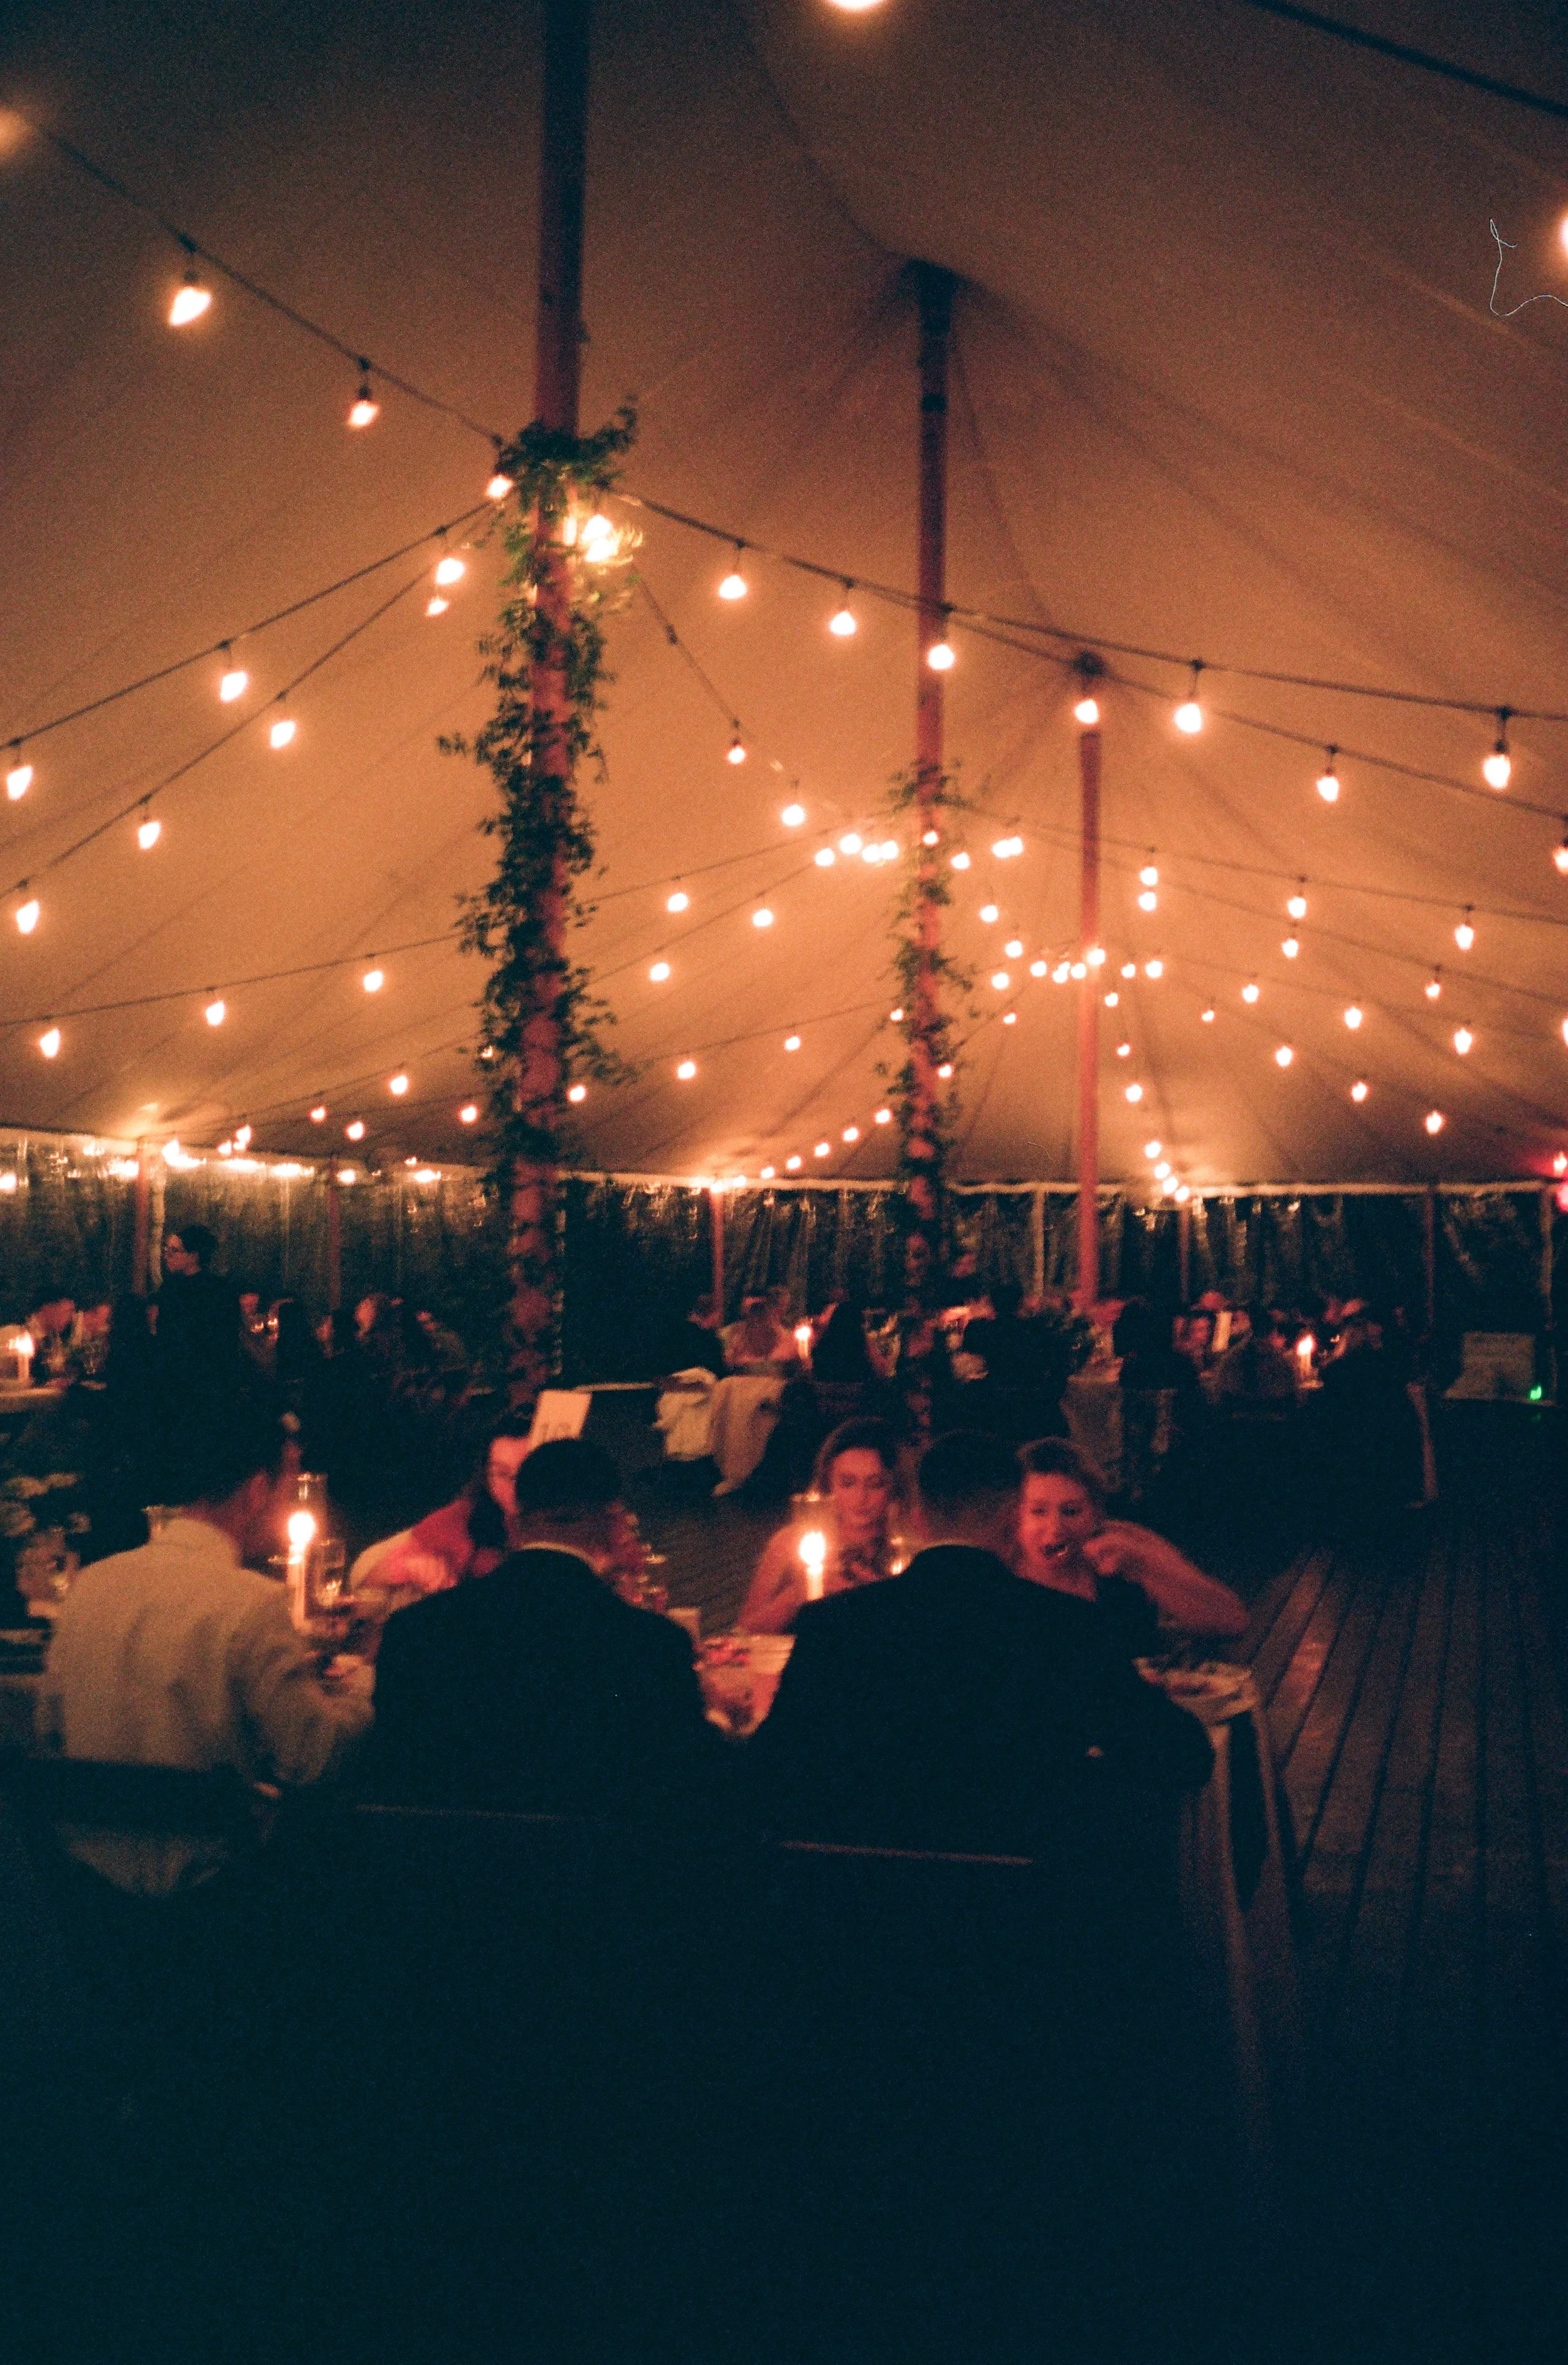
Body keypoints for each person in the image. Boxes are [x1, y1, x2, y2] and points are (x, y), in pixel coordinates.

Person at [747, 1429, 1212, 1855]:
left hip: (862, 1898)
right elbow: (1185, 1756)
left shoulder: (832, 1623)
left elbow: (770, 1767)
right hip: (1022, 1900)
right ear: (1012, 1522)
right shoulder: (1068, 1626)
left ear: (919, 1521)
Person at [37, 1383, 372, 1894]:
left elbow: (49, 1732)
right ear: (257, 1491)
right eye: (286, 1487)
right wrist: (364, 1686)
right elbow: (314, 1757)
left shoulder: (91, 1586)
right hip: (217, 1902)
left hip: (88, 1901)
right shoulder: (250, 1603)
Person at [366, 1438, 723, 1814]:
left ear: (515, 1524)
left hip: (447, 1849)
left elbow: (392, 1770)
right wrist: (716, 1715)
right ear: (612, 1525)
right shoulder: (653, 1645)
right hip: (595, 1850)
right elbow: (689, 1780)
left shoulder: (415, 1631)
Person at [1014, 1438, 1247, 1654]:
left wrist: (1147, 1566)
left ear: (1097, 1513)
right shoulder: (1002, 1569)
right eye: (1038, 1511)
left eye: (1071, 1511)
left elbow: (1232, 1622)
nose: (1055, 1528)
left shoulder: (1124, 1545)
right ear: (1015, 1514)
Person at [740, 1418, 906, 1633]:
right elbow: (745, 1632)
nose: (861, 1498)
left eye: (875, 1485)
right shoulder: (792, 1543)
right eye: (848, 1483)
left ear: (893, 1486)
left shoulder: (905, 1547)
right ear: (829, 1483)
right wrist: (797, 1595)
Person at [366, 1414, 534, 1596]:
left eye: (527, 1473)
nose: (515, 1487)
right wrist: (408, 1568)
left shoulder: (553, 1525)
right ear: (485, 1476)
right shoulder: (462, 1518)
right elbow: (366, 1588)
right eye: (501, 1473)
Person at [156, 1223, 241, 1385]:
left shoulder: (217, 1291)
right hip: (188, 1377)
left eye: (173, 1251)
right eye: (166, 1249)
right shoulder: (170, 1287)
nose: (166, 1256)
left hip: (202, 1377)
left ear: (193, 1256)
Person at [721, 1295, 798, 1374]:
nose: (757, 1319)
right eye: (754, 1312)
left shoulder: (791, 1343)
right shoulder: (732, 1339)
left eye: (761, 1311)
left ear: (775, 1312)